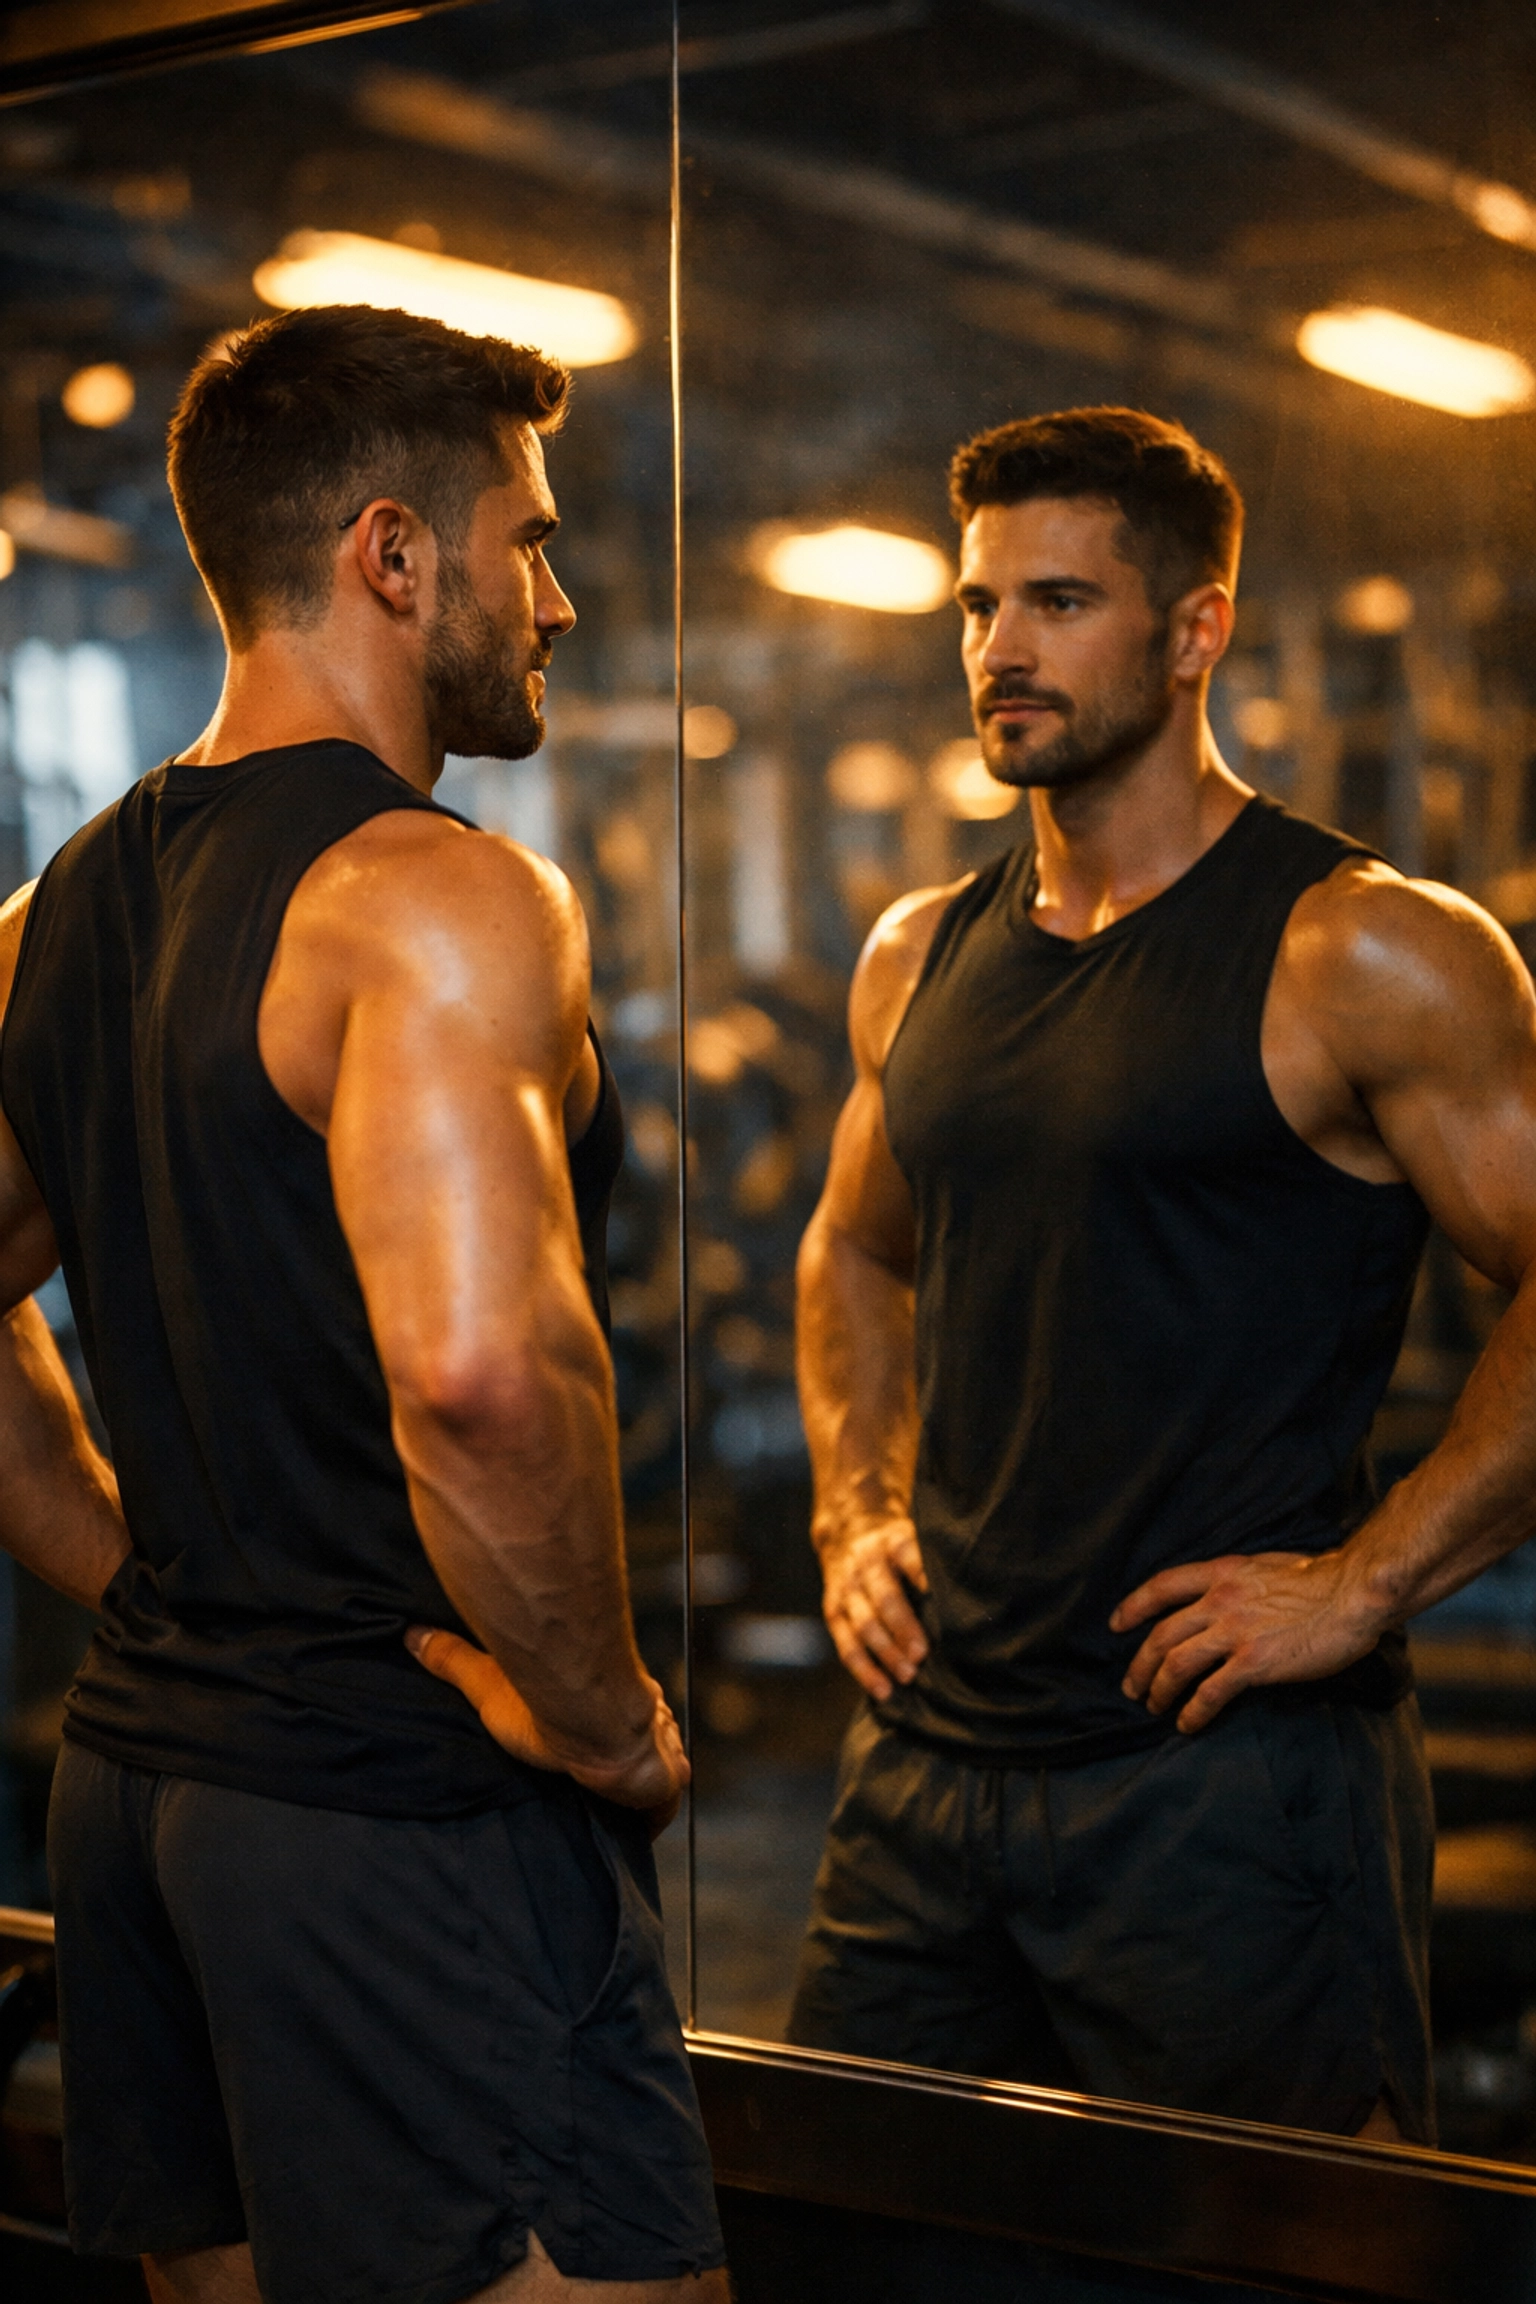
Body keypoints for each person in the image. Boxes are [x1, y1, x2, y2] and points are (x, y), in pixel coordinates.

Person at [0, 306, 726, 2303]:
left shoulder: (49, 914)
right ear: (396, 556)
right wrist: (608, 1726)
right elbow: (484, 1378)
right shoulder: (436, 895)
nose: (559, 597)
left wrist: (139, 1566)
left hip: (142, 1795)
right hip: (392, 1809)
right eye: (532, 541)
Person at [786, 405, 1536, 2143]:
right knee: (854, 2231)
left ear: (1195, 631)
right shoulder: (923, 954)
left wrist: (1362, 1584)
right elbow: (855, 1247)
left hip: (1226, 1783)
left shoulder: (1362, 949)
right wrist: (852, 1508)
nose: (1000, 652)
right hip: (929, 1770)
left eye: (1056, 601)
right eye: (978, 609)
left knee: (1261, 2267)